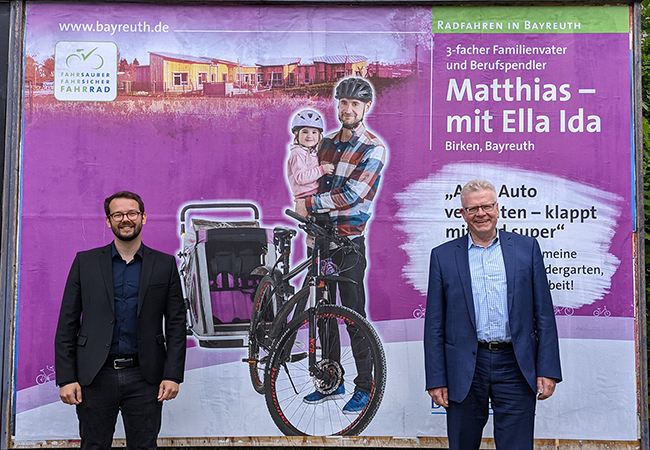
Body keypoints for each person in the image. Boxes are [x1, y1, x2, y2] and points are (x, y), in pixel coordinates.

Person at [424, 179, 562, 450]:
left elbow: (543, 314)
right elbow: (434, 325)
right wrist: (436, 378)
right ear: (462, 214)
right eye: (473, 209)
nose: (481, 214)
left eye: (487, 206)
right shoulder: (442, 256)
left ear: (497, 209)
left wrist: (548, 370)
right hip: (464, 368)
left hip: (515, 365)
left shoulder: (526, 249)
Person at [55, 191, 186, 450]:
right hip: (94, 376)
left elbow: (176, 324)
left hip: (145, 377)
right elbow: (67, 322)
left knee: (144, 445)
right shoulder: (85, 262)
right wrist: (66, 378)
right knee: (93, 444)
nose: (125, 219)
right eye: (118, 214)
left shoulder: (164, 264)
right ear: (108, 221)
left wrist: (173, 375)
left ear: (143, 218)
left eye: (132, 213)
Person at [295, 77, 387, 414]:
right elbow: (306, 177)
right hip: (319, 242)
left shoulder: (373, 148)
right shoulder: (325, 142)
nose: (347, 109)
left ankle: (365, 386)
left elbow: (353, 195)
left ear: (366, 108)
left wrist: (311, 204)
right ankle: (331, 381)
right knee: (322, 315)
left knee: (353, 316)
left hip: (347, 243)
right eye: (342, 103)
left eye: (355, 104)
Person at [286, 109, 335, 200]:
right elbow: (301, 178)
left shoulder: (312, 152)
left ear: (319, 135)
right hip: (306, 196)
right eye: (305, 132)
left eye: (314, 132)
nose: (309, 136)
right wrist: (322, 170)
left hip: (315, 194)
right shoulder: (298, 153)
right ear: (296, 134)